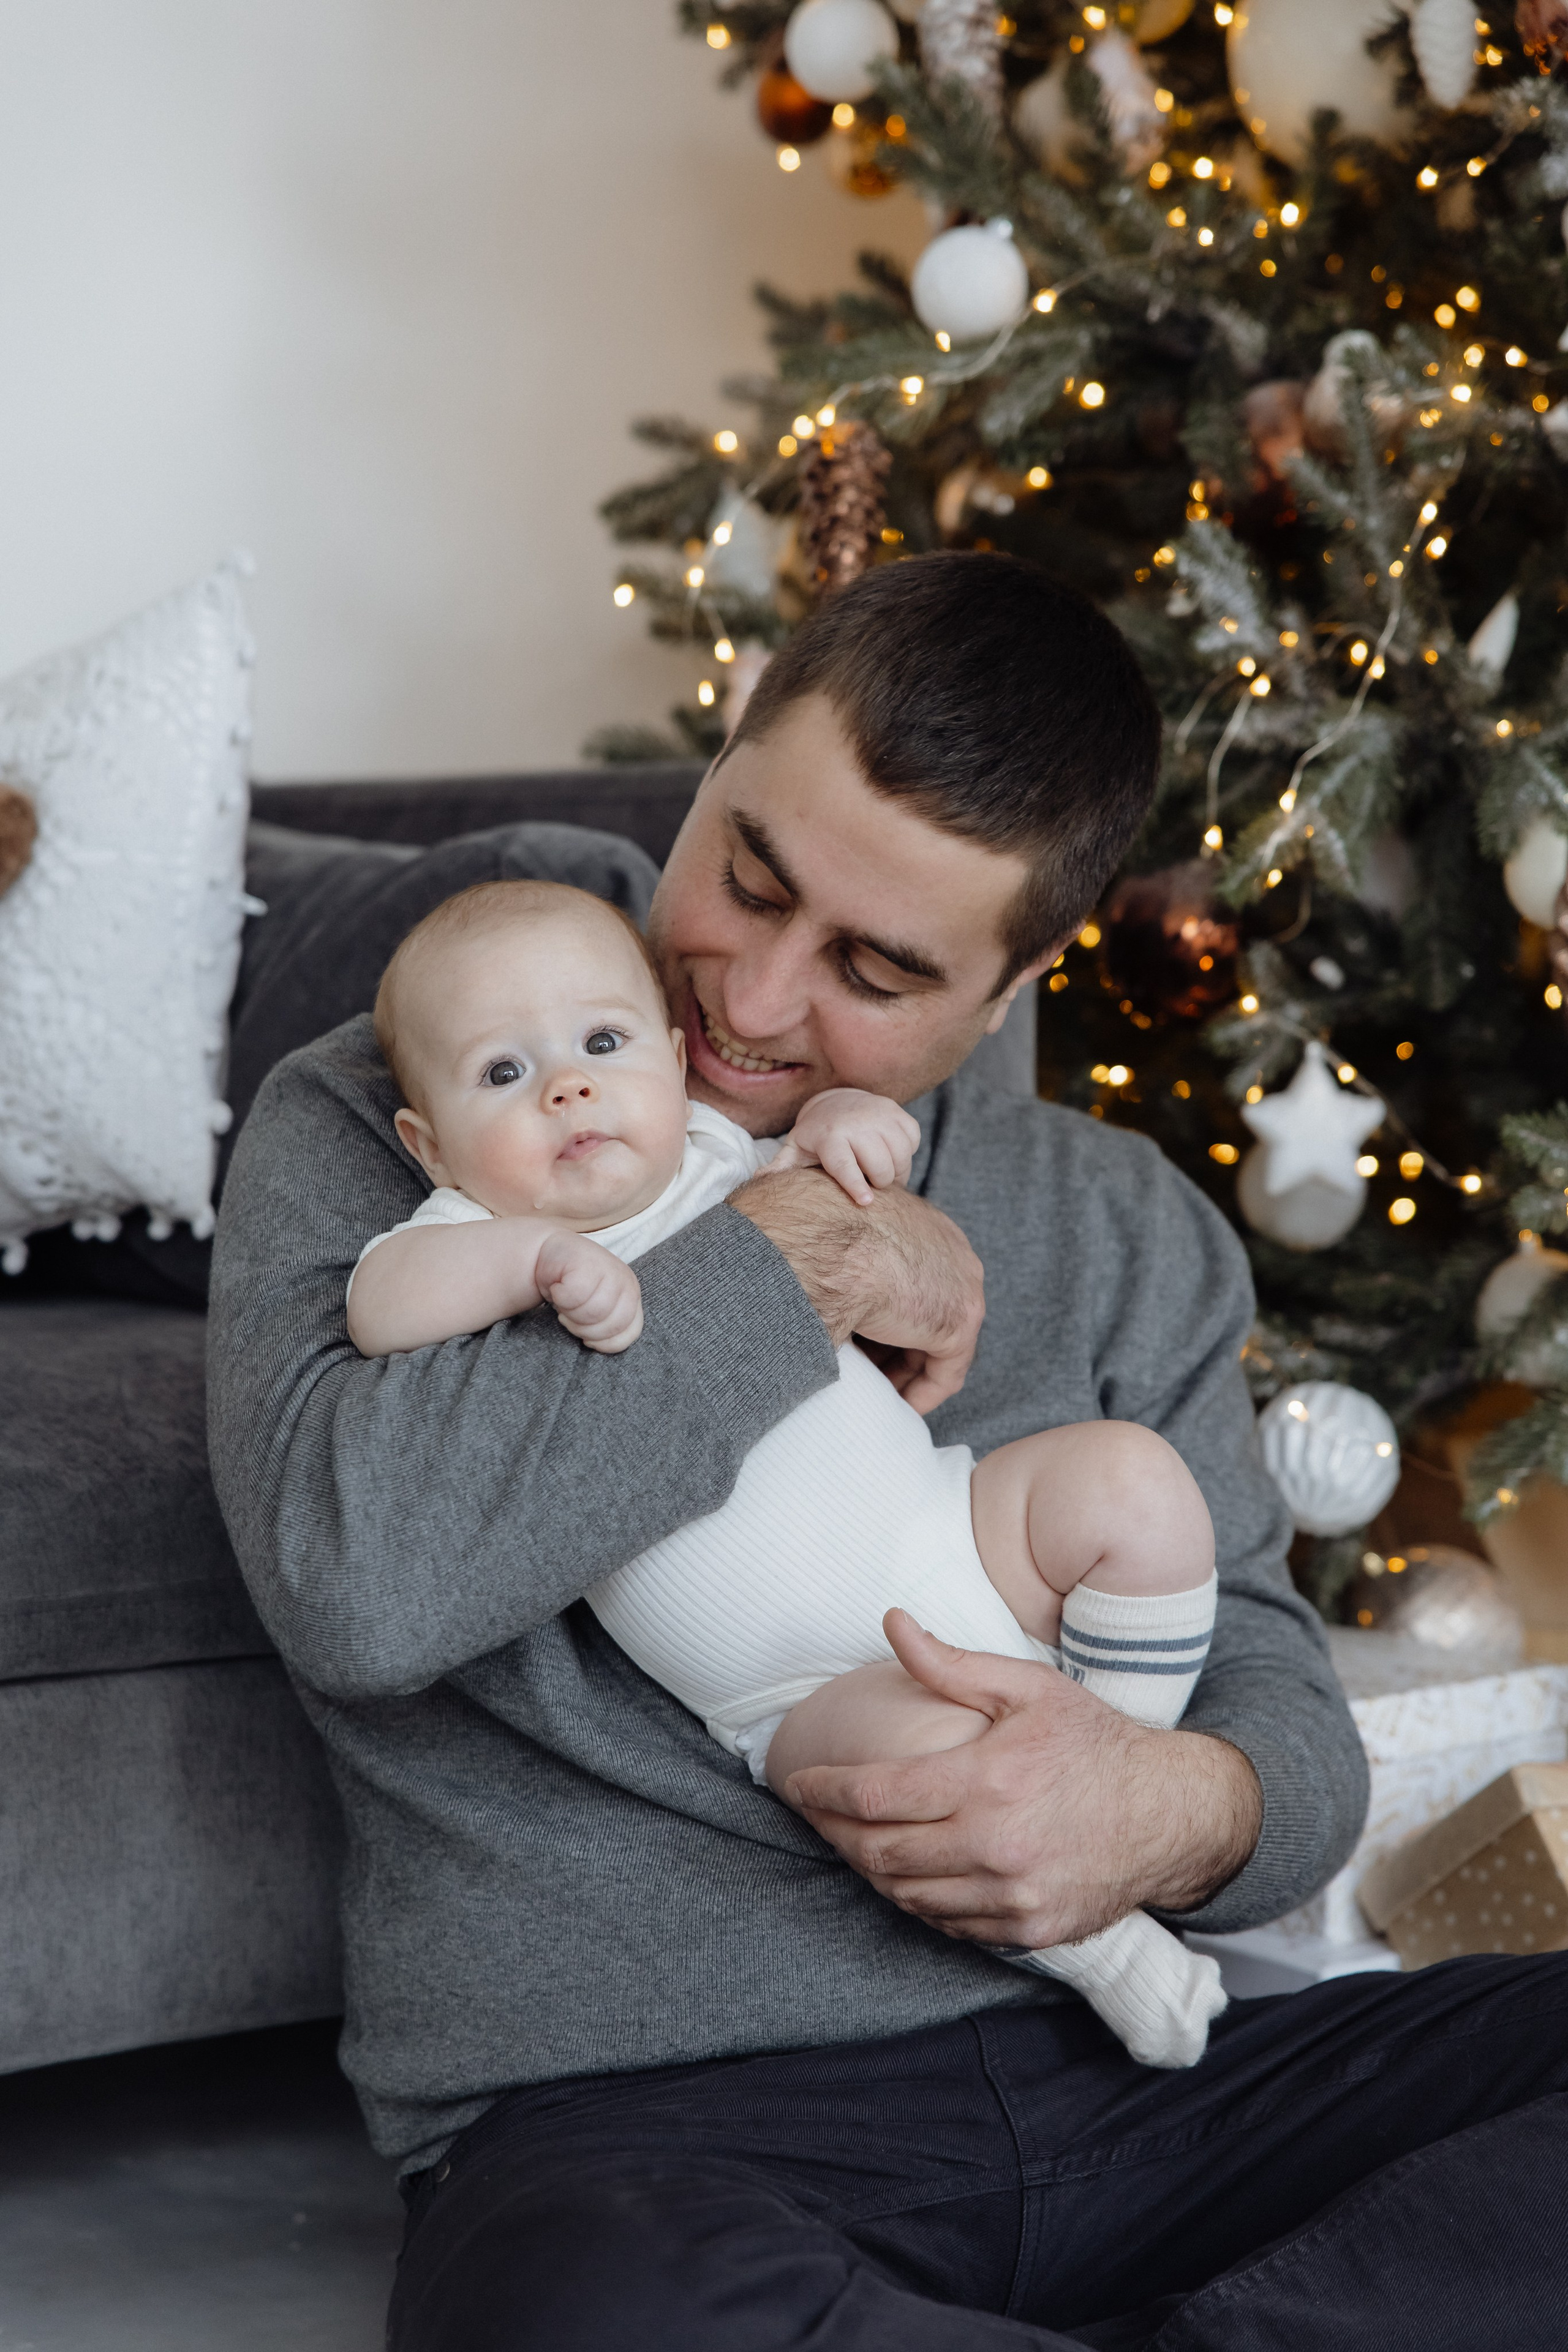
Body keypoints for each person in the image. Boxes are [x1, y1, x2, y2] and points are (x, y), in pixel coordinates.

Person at [207, 554, 1568, 2349]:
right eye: (747, 876)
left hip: (1157, 2089)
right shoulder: (407, 1117)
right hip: (643, 2138)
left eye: (873, 965)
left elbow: (1284, 1736)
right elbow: (354, 1585)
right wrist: (785, 1260)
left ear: (1011, 991)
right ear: (724, 750)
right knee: (584, 2312)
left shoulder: (1120, 1224)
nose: (752, 1004)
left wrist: (1158, 1803)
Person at [344, 875, 1224, 2067]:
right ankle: (1108, 1946)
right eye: (504, 1074)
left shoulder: (715, 1152)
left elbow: (838, 1164)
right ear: (426, 1140)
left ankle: (1106, 1756)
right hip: (803, 1687)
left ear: (667, 1056)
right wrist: (530, 1262)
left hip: (949, 1531)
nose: (568, 1086)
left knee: (1129, 1484)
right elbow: (377, 1305)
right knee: (923, 1783)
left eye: (602, 1044)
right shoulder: (461, 1232)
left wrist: (848, 1127)